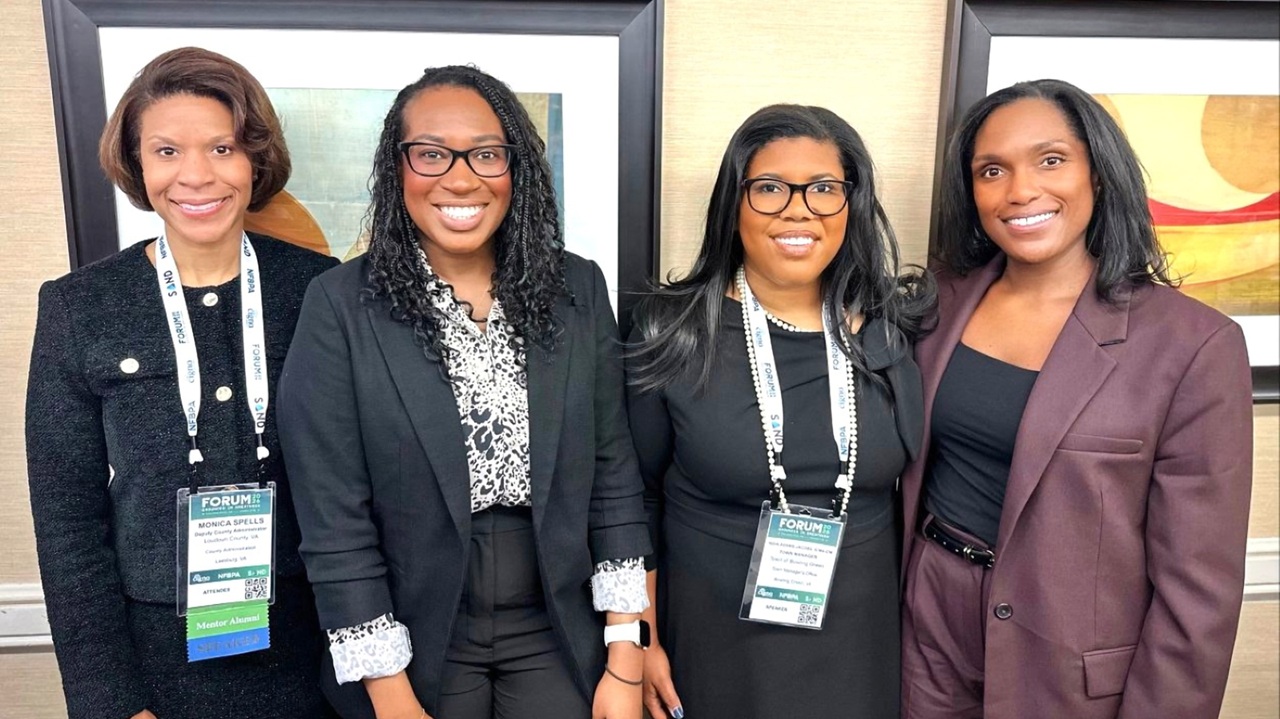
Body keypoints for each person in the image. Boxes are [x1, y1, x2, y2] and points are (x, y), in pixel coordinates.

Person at [277, 65, 652, 719]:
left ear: (517, 167)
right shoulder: (340, 305)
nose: (460, 176)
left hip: (555, 625)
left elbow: (614, 475)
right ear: (398, 169)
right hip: (413, 634)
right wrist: (390, 694)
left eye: (485, 152)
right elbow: (333, 521)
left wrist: (626, 654)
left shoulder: (577, 291)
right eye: (430, 153)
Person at [899, 78, 1254, 719]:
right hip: (926, 630)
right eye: (991, 170)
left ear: (1099, 174)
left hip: (1066, 664)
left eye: (1051, 160)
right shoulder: (935, 307)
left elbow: (1198, 591)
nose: (1020, 190)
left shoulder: (1194, 346)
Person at [25, 47, 339, 719]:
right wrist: (110, 700)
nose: (196, 175)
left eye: (222, 147)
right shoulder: (80, 306)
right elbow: (66, 520)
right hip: (155, 662)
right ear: (137, 164)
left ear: (255, 158)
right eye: (167, 151)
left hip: (315, 652)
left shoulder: (318, 290)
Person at [626, 104, 933, 718]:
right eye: (769, 188)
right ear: (732, 204)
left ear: (852, 203)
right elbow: (635, 500)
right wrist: (643, 640)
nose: (799, 209)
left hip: (861, 640)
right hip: (715, 642)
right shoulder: (670, 329)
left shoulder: (896, 328)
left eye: (824, 189)